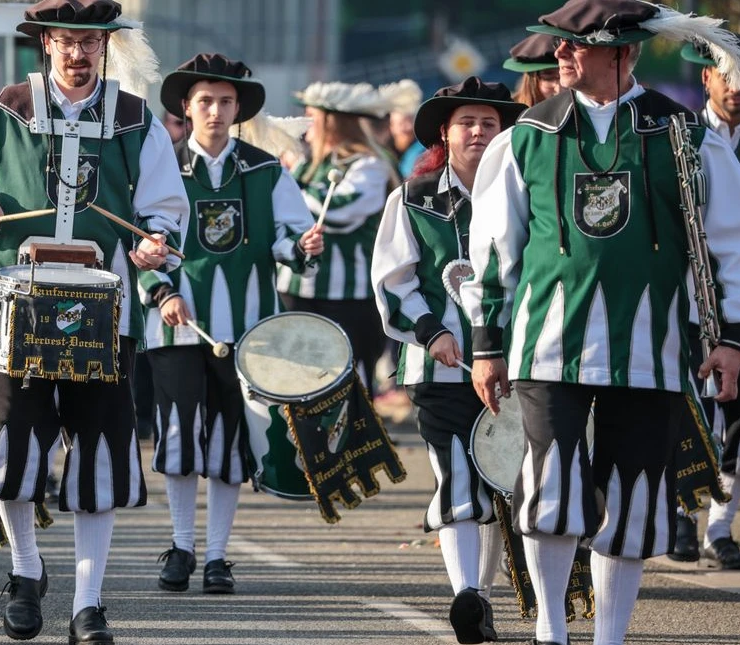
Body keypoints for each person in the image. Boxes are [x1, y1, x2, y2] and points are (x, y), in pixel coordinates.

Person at [462, 2, 740, 644]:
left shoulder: (690, 137)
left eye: (573, 46)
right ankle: (552, 631)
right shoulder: (523, 137)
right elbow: (493, 250)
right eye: (557, 46)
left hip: (655, 348)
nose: (558, 55)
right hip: (546, 348)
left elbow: (732, 247)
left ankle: (610, 638)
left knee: (634, 498)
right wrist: (487, 344)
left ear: (622, 53)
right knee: (550, 491)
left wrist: (730, 339)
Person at [0, 0, 187, 641]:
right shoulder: (7, 106)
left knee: (98, 452)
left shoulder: (132, 117)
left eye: (89, 43)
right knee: (12, 445)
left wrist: (155, 243)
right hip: (16, 308)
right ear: (45, 44)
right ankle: (24, 568)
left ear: (105, 48)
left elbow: (165, 208)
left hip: (107, 314)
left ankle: (88, 606)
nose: (77, 54)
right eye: (65, 42)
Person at [146, 53, 322, 595]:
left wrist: (302, 246)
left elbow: (289, 240)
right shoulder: (161, 168)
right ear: (186, 106)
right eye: (205, 101)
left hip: (247, 332)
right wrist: (162, 291)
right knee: (179, 437)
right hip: (177, 326)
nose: (216, 111)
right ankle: (180, 545)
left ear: (238, 108)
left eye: (225, 102)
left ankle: (218, 557)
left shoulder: (266, 169)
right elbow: (142, 248)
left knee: (228, 444)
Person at [372, 77, 524, 644]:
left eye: (489, 122)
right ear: (445, 131)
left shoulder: (525, 189)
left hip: (512, 366)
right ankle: (466, 596)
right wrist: (431, 332)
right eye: (468, 122)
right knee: (457, 475)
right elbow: (392, 280)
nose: (479, 131)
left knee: (499, 484)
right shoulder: (411, 198)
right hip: (440, 368)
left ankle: (477, 596)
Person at [669, 34, 740, 569]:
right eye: (727, 76)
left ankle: (721, 528)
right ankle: (682, 518)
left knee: (738, 422)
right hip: (689, 301)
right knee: (684, 409)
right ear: (706, 79)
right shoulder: (683, 139)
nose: (736, 89)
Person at [275, 80, 398, 389]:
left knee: (351, 380)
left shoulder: (369, 164)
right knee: (299, 378)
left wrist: (289, 188)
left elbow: (338, 211)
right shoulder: (307, 163)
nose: (306, 125)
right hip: (297, 289)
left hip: (349, 295)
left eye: (312, 116)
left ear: (332, 122)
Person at [505, 34, 562, 107]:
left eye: (567, 74)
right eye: (549, 77)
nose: (560, 88)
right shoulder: (510, 114)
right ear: (531, 80)